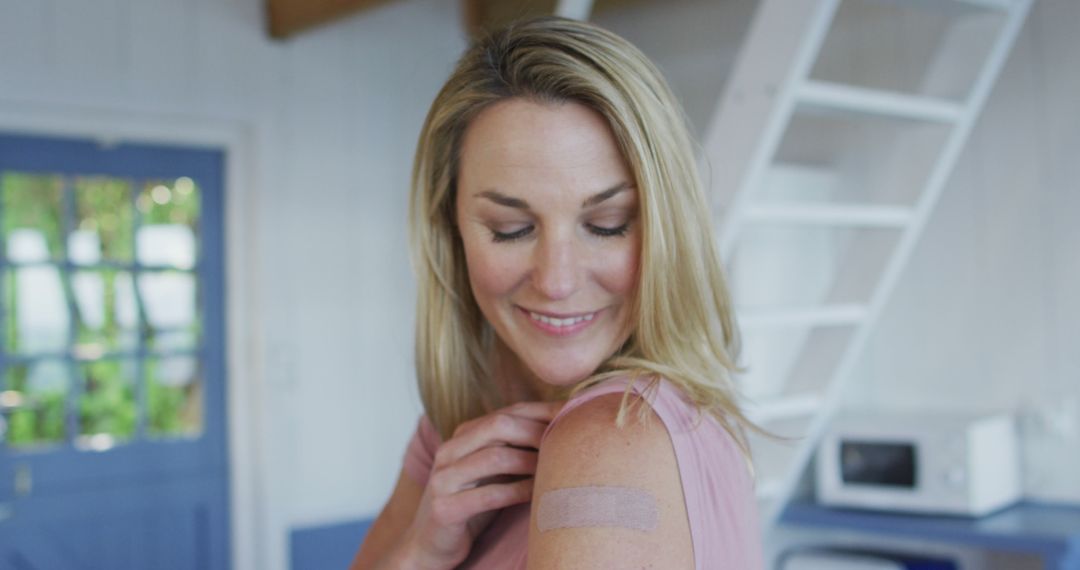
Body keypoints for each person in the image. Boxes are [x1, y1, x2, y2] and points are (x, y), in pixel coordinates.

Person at [351, 15, 764, 569]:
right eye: (511, 229)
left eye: (609, 223)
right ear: (450, 230)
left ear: (668, 228)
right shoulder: (458, 429)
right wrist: (422, 548)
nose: (557, 279)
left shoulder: (612, 442)